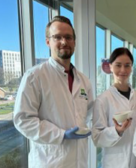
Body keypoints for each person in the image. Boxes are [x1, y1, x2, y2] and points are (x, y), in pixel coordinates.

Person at [13, 16, 94, 168]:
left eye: (68, 37)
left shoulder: (83, 80)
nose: (64, 42)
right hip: (49, 162)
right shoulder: (34, 76)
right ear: (48, 41)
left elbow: (88, 114)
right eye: (57, 37)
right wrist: (61, 134)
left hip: (79, 161)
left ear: (74, 42)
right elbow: (23, 120)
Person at [92, 47, 136, 168]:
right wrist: (117, 131)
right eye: (118, 65)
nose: (123, 70)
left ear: (131, 68)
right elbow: (97, 138)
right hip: (114, 163)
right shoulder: (103, 99)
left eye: (127, 65)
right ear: (110, 67)